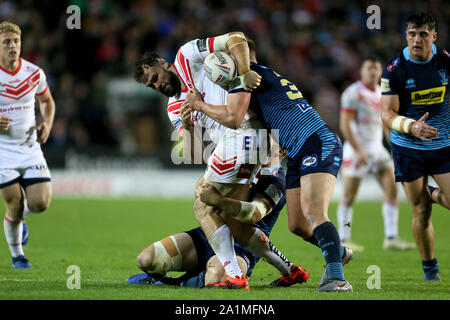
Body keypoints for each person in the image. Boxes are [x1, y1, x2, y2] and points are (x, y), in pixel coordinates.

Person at [134, 33, 308, 290]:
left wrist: (244, 71)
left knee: (202, 203)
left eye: (155, 78)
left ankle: (235, 275)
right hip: (238, 144)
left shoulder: (187, 55)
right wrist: (185, 124)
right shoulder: (173, 107)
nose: (157, 86)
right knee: (229, 218)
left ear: (163, 62)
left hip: (242, 137)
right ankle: (289, 270)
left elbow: (237, 38)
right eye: (151, 86)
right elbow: (192, 153)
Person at [184, 44, 352, 292]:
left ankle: (337, 280)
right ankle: (338, 252)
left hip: (316, 141)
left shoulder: (248, 76)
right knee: (298, 225)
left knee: (314, 210)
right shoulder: (261, 75)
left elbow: (233, 117)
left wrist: (198, 104)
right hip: (296, 150)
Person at [127, 164, 309, 288]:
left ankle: (170, 283)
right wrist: (202, 187)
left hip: (242, 249)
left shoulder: (276, 180)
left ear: (281, 151)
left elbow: (254, 214)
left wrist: (218, 200)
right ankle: (167, 275)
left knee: (217, 279)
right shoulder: (234, 160)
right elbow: (201, 187)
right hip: (208, 235)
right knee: (146, 259)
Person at [380, 12, 449, 281]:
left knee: (428, 200)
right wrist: (412, 126)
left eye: (422, 34)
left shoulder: (444, 60)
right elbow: (386, 114)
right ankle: (430, 268)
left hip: (443, 143)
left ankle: (431, 191)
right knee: (421, 211)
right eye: (411, 33)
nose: (416, 39)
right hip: (408, 146)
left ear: (434, 36)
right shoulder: (394, 70)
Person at [337, 57, 415, 252]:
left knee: (392, 189)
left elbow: (385, 123)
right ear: (361, 72)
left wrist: (394, 147)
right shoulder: (353, 92)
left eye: (375, 68)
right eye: (368, 68)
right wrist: (357, 149)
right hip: (356, 150)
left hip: (377, 149)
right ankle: (343, 238)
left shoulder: (382, 93)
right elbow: (345, 124)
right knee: (349, 195)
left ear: (380, 72)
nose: (372, 72)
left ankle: (391, 237)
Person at [0, 21, 55, 269]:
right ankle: (18, 256)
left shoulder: (33, 73)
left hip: (30, 148)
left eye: (16, 41)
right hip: (2, 151)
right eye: (7, 42)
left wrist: (48, 122)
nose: (13, 46)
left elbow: (47, 101)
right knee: (13, 200)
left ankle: (17, 221)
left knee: (40, 203)